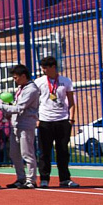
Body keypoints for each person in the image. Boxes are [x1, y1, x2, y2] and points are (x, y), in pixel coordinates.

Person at [36, 56, 79, 188]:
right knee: (44, 152)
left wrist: (71, 119)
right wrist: (37, 119)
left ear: (53, 67)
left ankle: (65, 178)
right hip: (45, 121)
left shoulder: (66, 81)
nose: (43, 70)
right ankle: (44, 179)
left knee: (63, 151)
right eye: (42, 67)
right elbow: (34, 102)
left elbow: (71, 102)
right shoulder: (38, 82)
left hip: (62, 120)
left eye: (46, 68)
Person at [0, 64, 40, 189]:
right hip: (16, 124)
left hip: (26, 124)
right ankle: (20, 178)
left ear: (23, 76)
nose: (14, 80)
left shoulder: (31, 89)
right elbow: (15, 105)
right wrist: (7, 107)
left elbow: (19, 107)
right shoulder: (21, 88)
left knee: (27, 153)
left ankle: (31, 179)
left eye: (16, 78)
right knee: (14, 153)